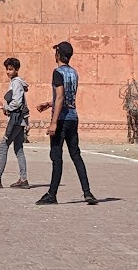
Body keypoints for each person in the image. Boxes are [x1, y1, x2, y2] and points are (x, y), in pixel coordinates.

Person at [35, 41, 98, 206]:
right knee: (76, 155)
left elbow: (61, 97)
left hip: (61, 119)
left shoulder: (57, 72)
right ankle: (87, 192)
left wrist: (53, 122)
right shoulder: (74, 73)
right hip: (73, 118)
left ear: (57, 55)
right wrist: (49, 103)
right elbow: (67, 97)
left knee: (56, 157)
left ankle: (52, 194)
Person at [0, 57, 30, 188]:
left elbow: (17, 103)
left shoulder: (16, 83)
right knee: (18, 148)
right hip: (20, 120)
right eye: (7, 69)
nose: (8, 72)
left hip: (16, 121)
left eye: (11, 69)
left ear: (16, 69)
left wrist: (4, 107)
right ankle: (23, 179)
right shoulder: (16, 82)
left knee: (3, 147)